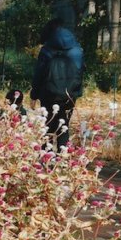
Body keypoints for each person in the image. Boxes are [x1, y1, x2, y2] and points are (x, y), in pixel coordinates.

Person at [30, 18, 84, 153]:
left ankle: (45, 158)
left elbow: (39, 74)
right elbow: (80, 73)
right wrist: (76, 92)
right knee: (64, 125)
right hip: (69, 94)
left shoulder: (46, 50)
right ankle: (63, 158)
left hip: (48, 93)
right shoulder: (77, 50)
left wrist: (34, 95)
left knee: (47, 124)